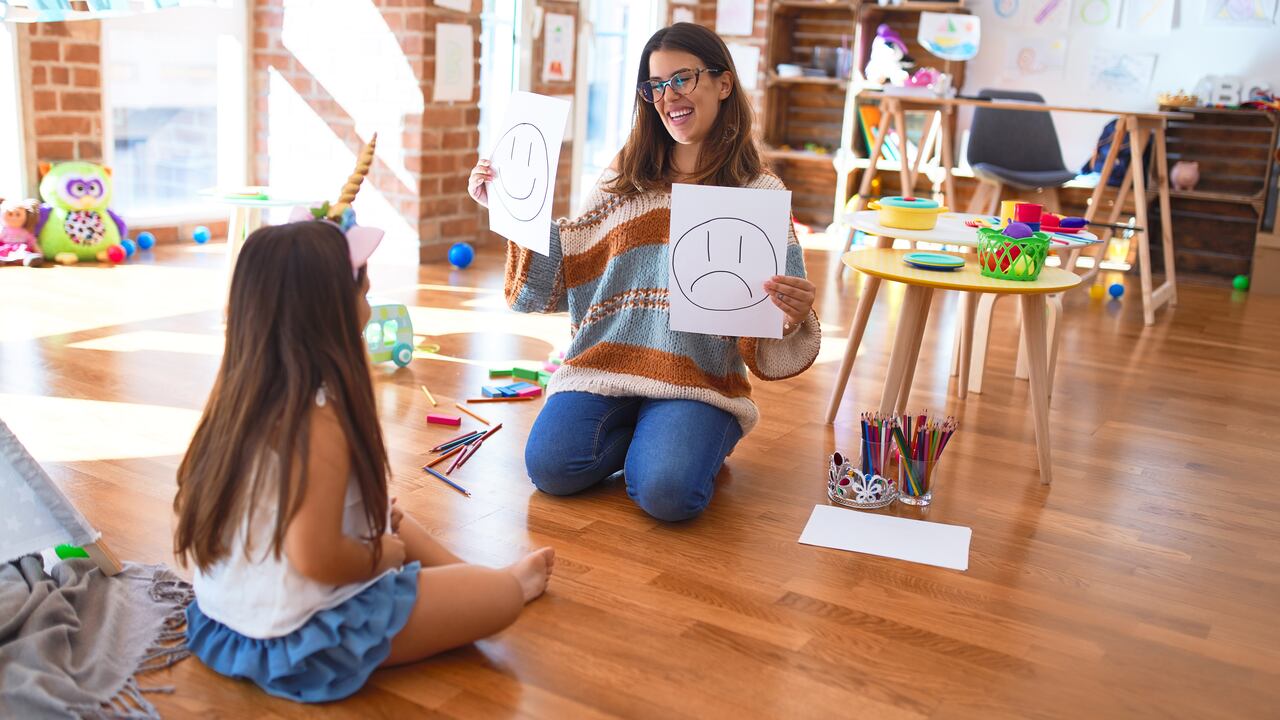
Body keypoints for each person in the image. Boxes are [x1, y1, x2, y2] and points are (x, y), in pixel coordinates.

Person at [172, 216, 554, 703]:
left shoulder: (239, 397)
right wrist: (382, 555)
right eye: (364, 294)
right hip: (302, 636)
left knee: (391, 516)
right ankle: (499, 585)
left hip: (229, 614)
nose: (370, 309)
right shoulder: (320, 421)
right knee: (497, 601)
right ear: (329, 311)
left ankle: (478, 579)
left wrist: (380, 534)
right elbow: (314, 556)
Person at [467, 23, 821, 522]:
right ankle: (653, 436)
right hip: (607, 365)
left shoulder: (757, 192)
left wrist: (793, 312)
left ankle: (685, 438)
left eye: (682, 78)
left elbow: (772, 321)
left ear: (723, 84)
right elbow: (571, 256)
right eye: (654, 85)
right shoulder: (625, 174)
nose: (667, 95)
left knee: (667, 495)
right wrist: (508, 207)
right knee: (550, 469)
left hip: (695, 378)